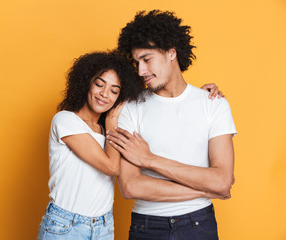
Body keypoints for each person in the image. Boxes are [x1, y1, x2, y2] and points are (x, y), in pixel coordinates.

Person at [36, 50, 223, 239]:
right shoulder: (66, 120)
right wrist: (112, 121)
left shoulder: (107, 131)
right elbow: (111, 166)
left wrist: (199, 98)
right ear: (86, 83)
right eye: (99, 84)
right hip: (65, 224)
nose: (104, 94)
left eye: (114, 90)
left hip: (103, 226)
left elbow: (163, 111)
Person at [106, 10, 237, 240]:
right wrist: (205, 190)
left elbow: (222, 179)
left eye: (147, 59)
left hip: (199, 224)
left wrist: (150, 160)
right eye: (137, 63)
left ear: (171, 53)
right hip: (146, 228)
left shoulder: (213, 104)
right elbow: (131, 186)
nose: (141, 71)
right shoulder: (130, 108)